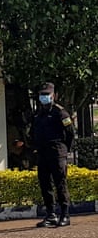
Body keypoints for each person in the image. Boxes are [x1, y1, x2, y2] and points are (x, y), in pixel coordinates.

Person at [30, 82, 75, 228]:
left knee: (60, 184)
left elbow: (70, 133)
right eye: (42, 95)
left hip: (57, 153)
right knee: (45, 185)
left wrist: (64, 149)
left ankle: (65, 215)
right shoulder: (38, 113)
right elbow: (33, 132)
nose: (44, 97)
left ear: (54, 95)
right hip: (43, 153)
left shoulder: (60, 112)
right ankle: (51, 215)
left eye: (47, 95)